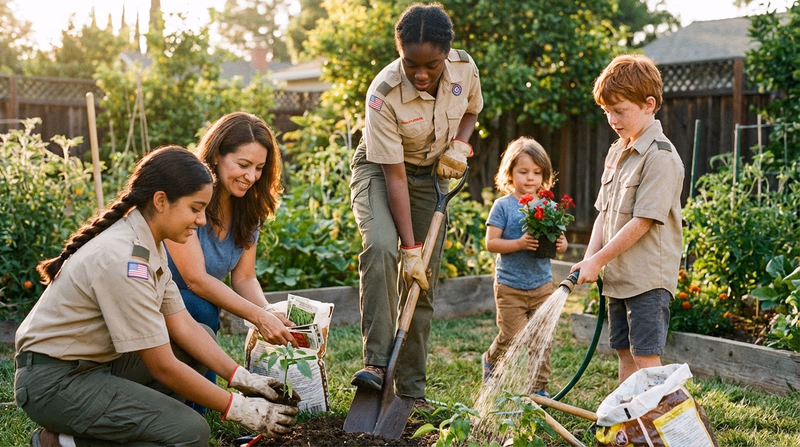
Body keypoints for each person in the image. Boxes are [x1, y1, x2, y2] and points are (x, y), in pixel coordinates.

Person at [14, 147, 298, 447]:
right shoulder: (124, 261)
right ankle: (61, 443)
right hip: (55, 383)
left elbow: (183, 325)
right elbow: (162, 366)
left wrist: (243, 378)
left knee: (199, 336)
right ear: (161, 201)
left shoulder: (148, 243)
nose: (201, 221)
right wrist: (238, 408)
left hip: (95, 365)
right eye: (195, 208)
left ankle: (130, 425)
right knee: (189, 433)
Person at [348, 3, 483, 410]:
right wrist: (410, 248)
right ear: (399, 52)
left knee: (422, 281)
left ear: (447, 54)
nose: (421, 74)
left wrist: (459, 144)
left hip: (433, 175)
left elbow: (472, 110)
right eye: (411, 64)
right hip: (381, 170)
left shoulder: (465, 69)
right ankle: (374, 365)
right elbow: (394, 178)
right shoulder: (383, 93)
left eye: (432, 65)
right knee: (384, 248)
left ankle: (409, 386)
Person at [165, 113, 294, 407]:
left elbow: (244, 278)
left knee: (203, 309)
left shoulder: (248, 210)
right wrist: (257, 317)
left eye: (259, 168)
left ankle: (200, 401)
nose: (251, 177)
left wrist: (267, 311)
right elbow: (195, 279)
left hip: (194, 319)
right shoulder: (188, 198)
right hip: (152, 306)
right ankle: (200, 400)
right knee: (200, 306)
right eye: (243, 165)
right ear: (216, 156)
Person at [572, 54, 685, 383]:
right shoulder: (617, 151)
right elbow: (602, 214)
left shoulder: (660, 157)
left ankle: (670, 425)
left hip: (647, 279)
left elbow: (642, 222)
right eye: (607, 111)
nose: (612, 119)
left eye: (619, 111)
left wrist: (599, 261)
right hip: (618, 277)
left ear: (649, 104)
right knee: (624, 351)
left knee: (645, 355)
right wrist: (590, 259)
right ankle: (632, 427)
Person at [482, 137, 568, 397]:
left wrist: (562, 243)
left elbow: (559, 245)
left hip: (542, 285)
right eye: (523, 172)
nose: (530, 178)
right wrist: (519, 243)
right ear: (510, 173)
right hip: (510, 286)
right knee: (513, 336)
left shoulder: (549, 207)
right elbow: (491, 243)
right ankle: (491, 360)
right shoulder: (504, 206)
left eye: (537, 172)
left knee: (542, 338)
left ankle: (538, 387)